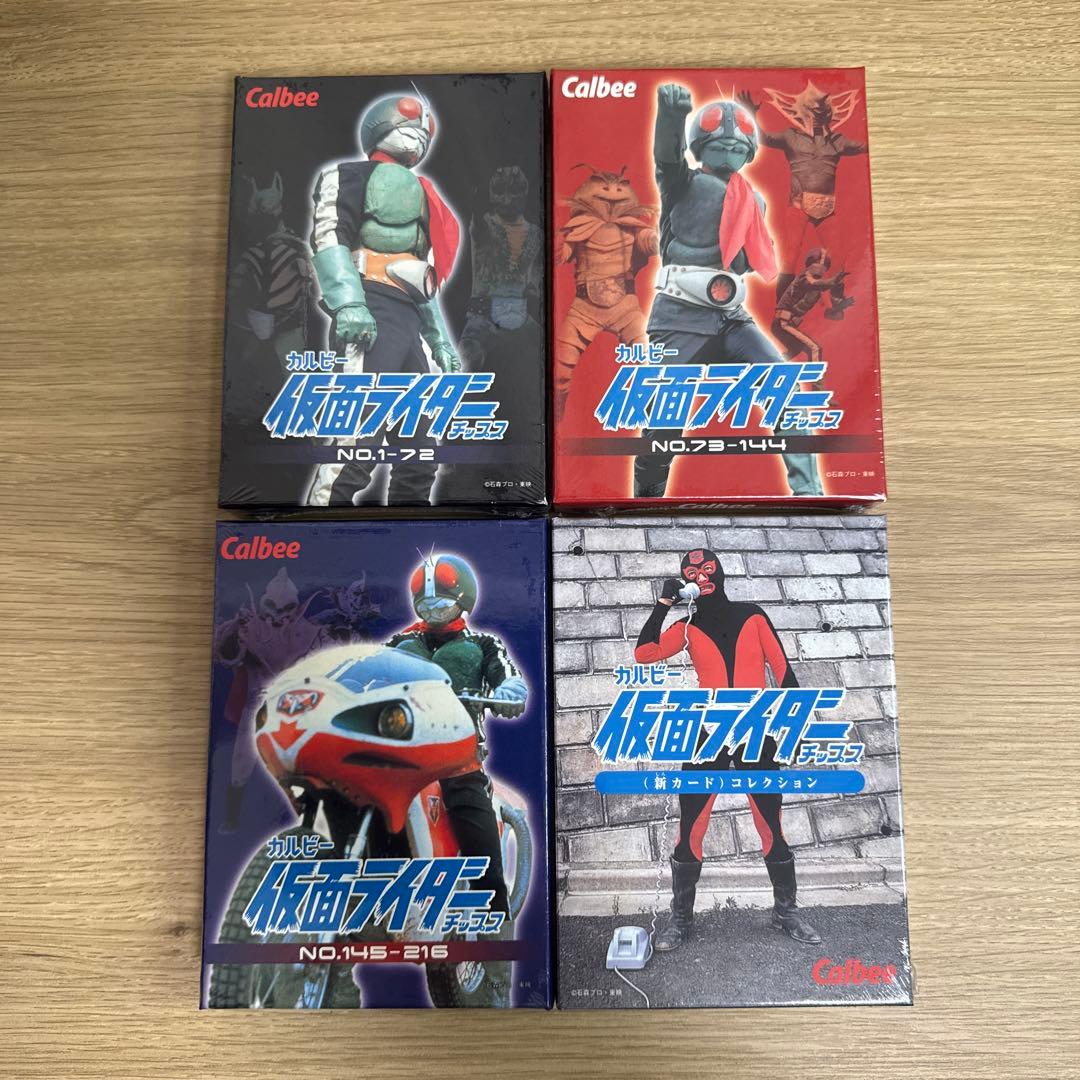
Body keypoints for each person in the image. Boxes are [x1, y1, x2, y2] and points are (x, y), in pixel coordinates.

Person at [634, 83, 821, 499]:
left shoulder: (753, 200)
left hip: (730, 317)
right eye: (721, 140)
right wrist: (671, 116)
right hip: (679, 315)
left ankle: (809, 492)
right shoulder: (682, 183)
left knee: (783, 386)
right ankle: (644, 501)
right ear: (701, 144)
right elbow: (666, 158)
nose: (731, 144)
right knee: (663, 420)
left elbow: (747, 261)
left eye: (738, 142)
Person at [635, 547, 821, 950]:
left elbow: (783, 671)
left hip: (757, 729)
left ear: (720, 572)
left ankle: (786, 912)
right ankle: (681, 919)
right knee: (691, 825)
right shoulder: (686, 626)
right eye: (691, 573)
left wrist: (795, 727)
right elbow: (644, 654)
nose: (700, 576)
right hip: (708, 732)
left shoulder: (753, 615)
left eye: (706, 568)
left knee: (770, 823)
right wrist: (663, 604)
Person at [306, 92, 461, 506]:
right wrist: (348, 302)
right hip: (369, 306)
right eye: (410, 123)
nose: (419, 135)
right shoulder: (348, 174)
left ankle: (408, 527)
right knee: (360, 436)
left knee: (420, 448)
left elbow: (421, 271)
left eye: (425, 131)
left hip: (408, 315)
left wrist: (439, 340)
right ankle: (321, 525)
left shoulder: (424, 193)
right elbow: (329, 234)